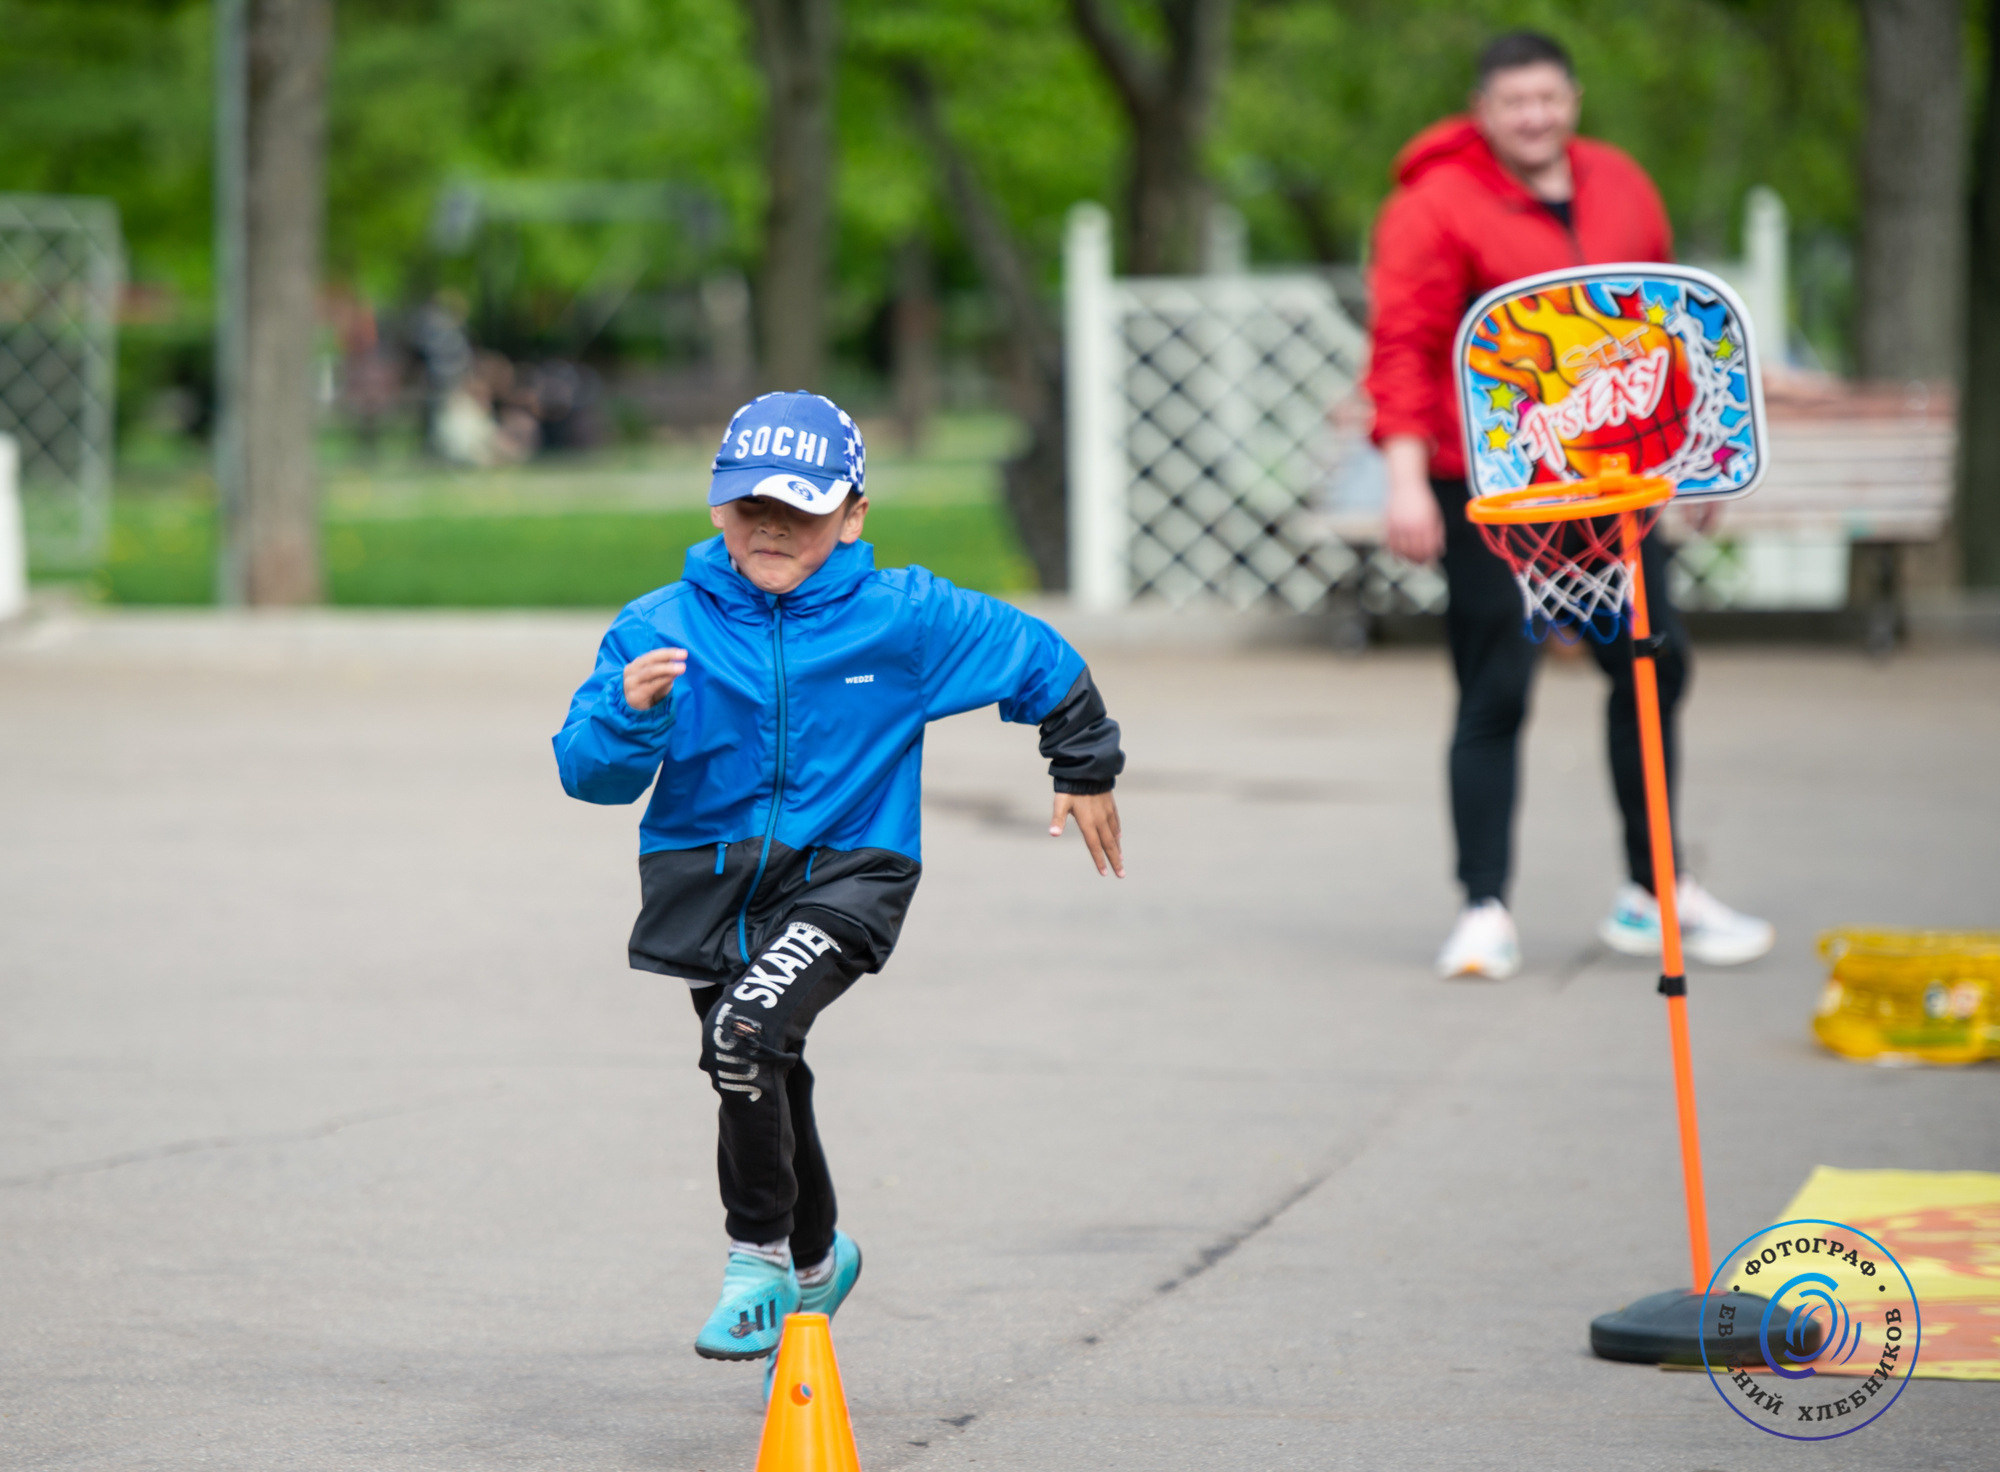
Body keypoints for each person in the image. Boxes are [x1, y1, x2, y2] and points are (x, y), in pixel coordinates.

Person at [552, 391, 1126, 1370]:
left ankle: (756, 1262)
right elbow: (587, 774)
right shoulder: (657, 625)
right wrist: (628, 710)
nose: (772, 525)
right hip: (710, 889)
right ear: (714, 504)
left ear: (853, 513)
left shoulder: (901, 617)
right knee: (754, 1063)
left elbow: (1039, 657)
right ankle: (818, 1262)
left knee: (743, 1032)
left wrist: (1083, 765)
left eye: (802, 508)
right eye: (749, 505)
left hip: (851, 872)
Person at [1365, 30, 1772, 979]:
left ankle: (1654, 893)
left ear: (1574, 98)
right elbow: (1405, 348)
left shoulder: (1623, 183)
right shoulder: (1433, 207)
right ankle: (1483, 909)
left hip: (1617, 489)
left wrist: (1699, 458)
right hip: (1494, 495)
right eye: (1515, 103)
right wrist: (1402, 478)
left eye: (1549, 98)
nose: (1535, 117)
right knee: (1496, 690)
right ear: (1484, 110)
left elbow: (1668, 331)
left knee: (1651, 671)